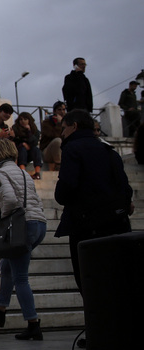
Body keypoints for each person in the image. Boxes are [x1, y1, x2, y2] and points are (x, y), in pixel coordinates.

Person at [54, 109, 134, 294]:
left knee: (90, 282)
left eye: (64, 129)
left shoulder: (71, 148)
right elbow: (124, 184)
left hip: (86, 226)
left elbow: (67, 186)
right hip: (117, 224)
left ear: (74, 126)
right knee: (117, 280)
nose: (62, 134)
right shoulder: (109, 151)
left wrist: (60, 194)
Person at [0, 139, 48, 340]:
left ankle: (33, 323)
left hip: (22, 226)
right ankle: (0, 310)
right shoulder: (23, 172)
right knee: (7, 266)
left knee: (20, 277)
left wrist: (4, 217)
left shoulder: (1, 173)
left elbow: (10, 200)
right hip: (38, 223)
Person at [13, 112, 43, 179]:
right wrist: (22, 144)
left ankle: (37, 172)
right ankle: (23, 172)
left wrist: (29, 131)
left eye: (25, 119)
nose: (23, 121)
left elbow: (34, 142)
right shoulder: (15, 129)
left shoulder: (34, 130)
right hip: (19, 153)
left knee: (36, 150)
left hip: (30, 153)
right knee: (22, 149)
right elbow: (14, 141)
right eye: (21, 119)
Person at [40, 101, 66, 171]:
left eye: (63, 109)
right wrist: (59, 124)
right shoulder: (46, 123)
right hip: (47, 152)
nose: (62, 112)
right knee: (57, 141)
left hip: (62, 151)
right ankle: (59, 165)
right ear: (54, 111)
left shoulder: (67, 123)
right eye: (59, 110)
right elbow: (54, 136)